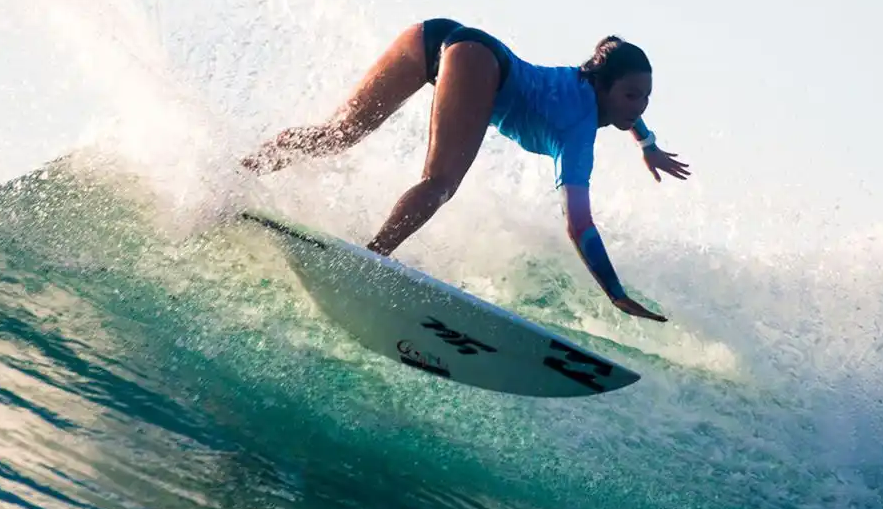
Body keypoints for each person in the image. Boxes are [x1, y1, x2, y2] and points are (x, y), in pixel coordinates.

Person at [240, 18, 691, 321]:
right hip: (479, 63)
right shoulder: (577, 131)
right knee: (440, 183)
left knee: (338, 134)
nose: (640, 106)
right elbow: (579, 225)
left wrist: (646, 144)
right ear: (603, 84)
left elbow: (624, 109)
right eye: (633, 96)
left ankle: (236, 171)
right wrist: (614, 292)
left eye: (646, 97)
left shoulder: (592, 85)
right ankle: (370, 259)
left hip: (436, 34)